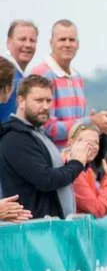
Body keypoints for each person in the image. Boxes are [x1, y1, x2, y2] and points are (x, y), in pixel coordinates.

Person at [0, 75, 93, 218]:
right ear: (21, 101)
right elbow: (47, 180)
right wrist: (77, 163)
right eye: (39, 100)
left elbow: (52, 172)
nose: (45, 106)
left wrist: (75, 158)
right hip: (32, 232)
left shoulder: (39, 134)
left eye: (49, 101)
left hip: (48, 229)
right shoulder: (15, 138)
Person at [31, 19, 107, 147]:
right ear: (51, 43)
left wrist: (98, 124)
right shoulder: (42, 74)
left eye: (71, 40)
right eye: (62, 39)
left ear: (78, 44)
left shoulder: (77, 77)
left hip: (74, 159)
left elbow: (78, 124)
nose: (67, 44)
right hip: (52, 160)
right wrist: (90, 121)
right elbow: (48, 128)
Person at [66, 123, 107, 217]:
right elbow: (98, 210)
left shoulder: (88, 171)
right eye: (86, 141)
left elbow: (101, 202)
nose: (92, 146)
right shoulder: (73, 171)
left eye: (96, 142)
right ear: (71, 142)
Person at [0, 20, 38, 123]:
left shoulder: (23, 76)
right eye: (22, 39)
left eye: (32, 40)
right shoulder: (5, 75)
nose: (28, 45)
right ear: (8, 42)